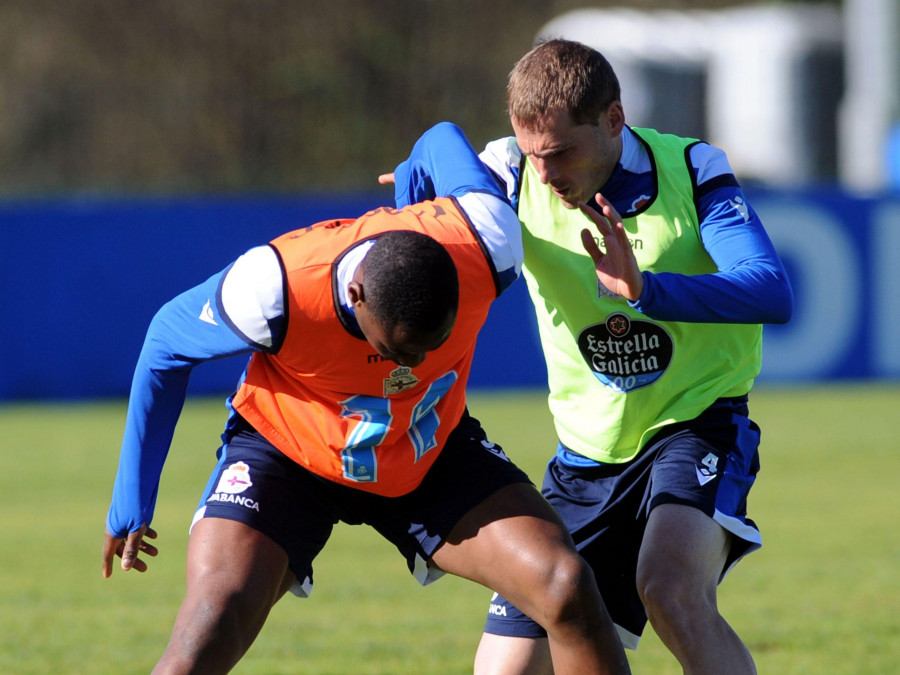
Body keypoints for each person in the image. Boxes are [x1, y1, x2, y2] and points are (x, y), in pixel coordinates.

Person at [100, 121, 631, 675]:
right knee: (208, 628)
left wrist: (414, 176)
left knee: (565, 585)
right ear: (354, 296)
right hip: (291, 454)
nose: (409, 367)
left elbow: (442, 135)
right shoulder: (276, 287)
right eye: (397, 350)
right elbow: (165, 341)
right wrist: (131, 499)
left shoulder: (487, 239)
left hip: (427, 445)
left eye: (430, 348)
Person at [469, 39, 794, 675]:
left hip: (695, 426)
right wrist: (429, 165)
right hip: (582, 458)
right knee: (504, 669)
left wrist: (648, 291)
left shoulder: (693, 169)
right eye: (534, 154)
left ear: (614, 121)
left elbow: (769, 288)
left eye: (560, 151)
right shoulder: (508, 170)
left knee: (670, 590)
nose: (545, 173)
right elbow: (439, 147)